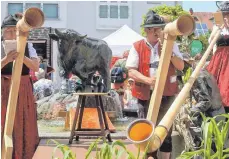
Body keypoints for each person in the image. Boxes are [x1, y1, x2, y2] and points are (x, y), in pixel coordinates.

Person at [126, 10, 184, 159]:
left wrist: (168, 49)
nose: (159, 31)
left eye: (160, 28)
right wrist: (148, 80)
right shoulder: (137, 46)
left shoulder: (171, 44)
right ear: (147, 30)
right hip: (145, 94)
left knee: (165, 131)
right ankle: (148, 156)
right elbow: (131, 71)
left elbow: (181, 66)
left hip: (166, 94)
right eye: (156, 28)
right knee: (145, 130)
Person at [1, 13, 40, 159]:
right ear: (3, 32)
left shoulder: (28, 46)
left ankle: (23, 154)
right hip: (3, 88)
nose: (11, 34)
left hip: (23, 89)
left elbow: (35, 67)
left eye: (14, 31)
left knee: (24, 122)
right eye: (8, 31)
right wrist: (6, 59)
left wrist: (21, 55)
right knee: (3, 121)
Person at [207, 1, 229, 113]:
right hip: (219, 62)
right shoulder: (218, 26)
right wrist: (218, 28)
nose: (225, 16)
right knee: (215, 90)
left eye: (227, 14)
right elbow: (211, 43)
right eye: (224, 14)